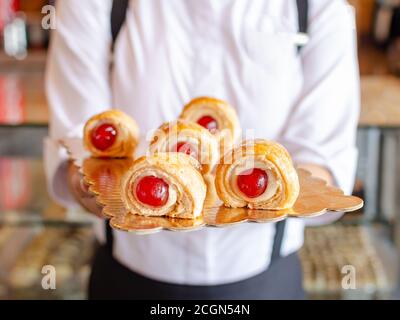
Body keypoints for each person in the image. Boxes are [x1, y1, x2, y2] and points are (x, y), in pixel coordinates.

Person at [44, 0, 359, 299]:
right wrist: (92, 184)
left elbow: (323, 154)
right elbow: (77, 138)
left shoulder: (318, 8)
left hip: (265, 278)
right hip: (127, 277)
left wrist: (269, 188)